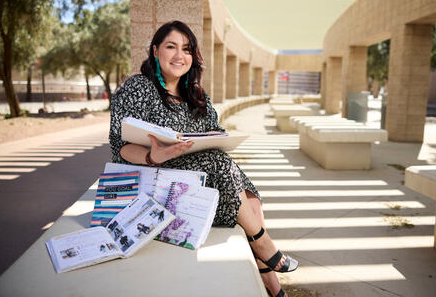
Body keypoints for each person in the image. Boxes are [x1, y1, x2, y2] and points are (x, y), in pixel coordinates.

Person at [109, 20, 297, 297]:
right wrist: (152, 155)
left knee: (251, 199)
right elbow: (119, 145)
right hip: (152, 179)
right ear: (155, 51)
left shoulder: (196, 95)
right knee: (220, 165)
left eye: (186, 49)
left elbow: (214, 133)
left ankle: (268, 281)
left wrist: (215, 137)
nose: (179, 55)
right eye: (171, 47)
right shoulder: (139, 87)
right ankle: (264, 248)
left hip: (197, 174)